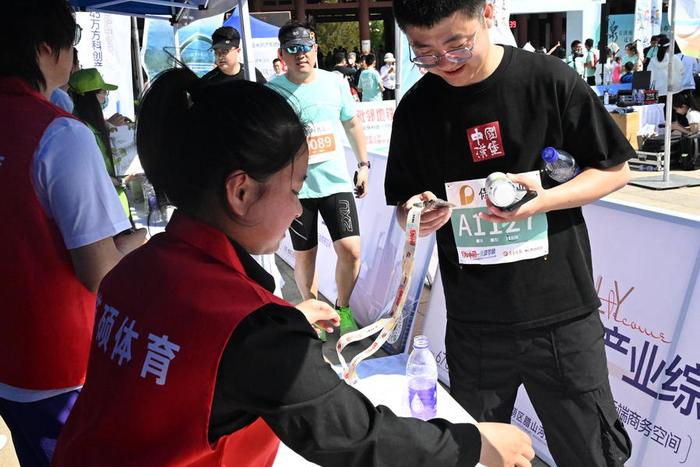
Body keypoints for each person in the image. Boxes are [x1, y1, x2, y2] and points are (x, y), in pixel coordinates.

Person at [52, 69, 534, 467]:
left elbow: (198, 356)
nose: (299, 205)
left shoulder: (136, 270)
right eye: (294, 185)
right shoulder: (253, 330)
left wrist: (282, 322)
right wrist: (474, 445)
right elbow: (353, 437)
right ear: (240, 192)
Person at [386, 1, 633, 466]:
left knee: (592, 454)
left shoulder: (548, 79)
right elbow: (403, 206)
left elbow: (614, 169)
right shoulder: (417, 109)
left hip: (561, 316)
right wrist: (417, 213)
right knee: (476, 455)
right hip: (475, 323)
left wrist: (540, 198)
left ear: (486, 13)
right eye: (427, 53)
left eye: (457, 44)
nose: (446, 63)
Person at [0, 2, 146, 465]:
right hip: (61, 364)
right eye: (72, 45)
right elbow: (100, 273)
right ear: (46, 49)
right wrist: (139, 244)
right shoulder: (61, 135)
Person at [268, 22, 369, 337]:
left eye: (306, 48)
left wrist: (363, 164)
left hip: (336, 182)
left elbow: (351, 123)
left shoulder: (334, 82)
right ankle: (311, 312)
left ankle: (343, 307)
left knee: (351, 250)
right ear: (282, 53)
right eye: (293, 49)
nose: (301, 55)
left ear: (315, 49)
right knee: (305, 255)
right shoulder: (273, 90)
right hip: (297, 189)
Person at [69, 68, 131, 220]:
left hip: (115, 206)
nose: (105, 97)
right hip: (104, 211)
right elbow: (88, 174)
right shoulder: (80, 131)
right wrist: (121, 180)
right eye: (103, 92)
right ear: (91, 97)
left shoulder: (93, 125)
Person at [648, 36, 684, 102]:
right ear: (670, 47)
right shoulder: (674, 58)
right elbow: (682, 71)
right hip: (674, 90)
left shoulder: (653, 60)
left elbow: (649, 76)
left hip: (658, 91)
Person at [50, 47, 79, 112]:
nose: (79, 69)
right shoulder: (61, 99)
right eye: (77, 64)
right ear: (71, 66)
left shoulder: (52, 91)